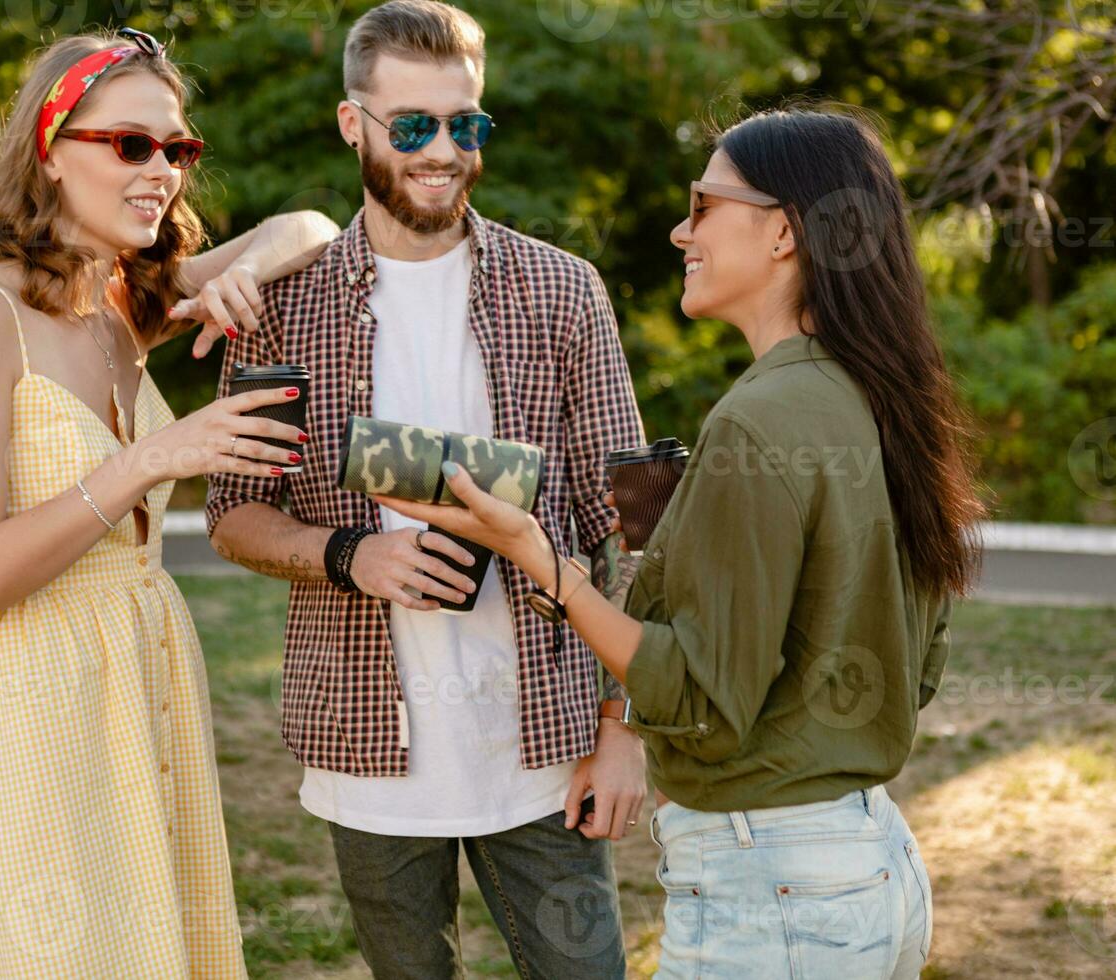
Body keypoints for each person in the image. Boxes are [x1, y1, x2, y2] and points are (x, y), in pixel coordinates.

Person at [376, 106, 986, 979]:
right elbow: (913, 669)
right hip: (872, 867)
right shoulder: (884, 396)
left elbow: (700, 700)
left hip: (771, 893)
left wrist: (532, 553)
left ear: (783, 232)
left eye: (702, 204)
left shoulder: (758, 419)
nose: (679, 229)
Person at [205, 2, 646, 975]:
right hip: (369, 755)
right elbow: (233, 510)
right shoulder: (280, 307)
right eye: (413, 125)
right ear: (351, 122)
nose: (443, 149)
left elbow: (628, 523)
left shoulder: (564, 291)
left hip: (545, 745)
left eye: (465, 123)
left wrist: (624, 730)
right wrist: (350, 554)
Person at [0, 27, 336, 978]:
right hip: (24, 693)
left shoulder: (126, 305)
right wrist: (149, 460)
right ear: (50, 152)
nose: (162, 171)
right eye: (130, 145)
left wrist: (244, 277)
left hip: (138, 675)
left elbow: (314, 228)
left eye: (178, 149)